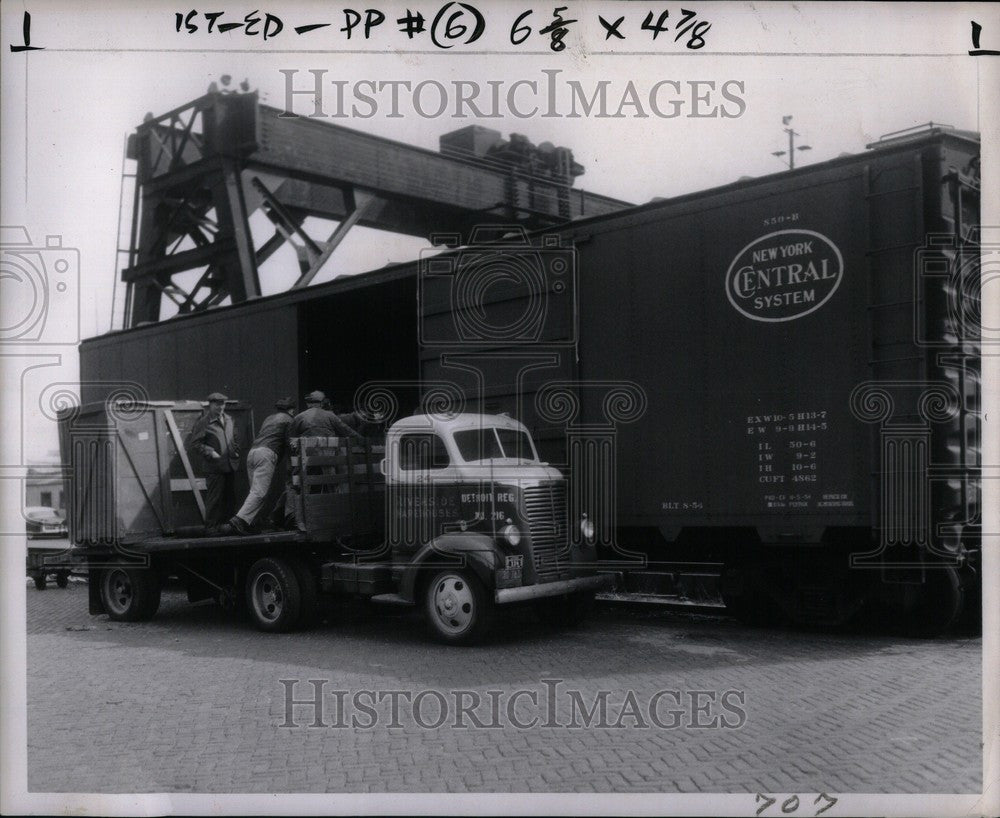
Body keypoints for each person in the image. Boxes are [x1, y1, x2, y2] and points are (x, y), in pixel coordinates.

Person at [283, 391, 364, 529]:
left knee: (296, 485)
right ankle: (332, 515)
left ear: (308, 403)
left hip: (305, 460)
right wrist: (364, 442)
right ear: (322, 402)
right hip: (328, 460)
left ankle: (294, 516)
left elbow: (290, 439)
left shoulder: (299, 417)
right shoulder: (330, 416)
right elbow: (347, 432)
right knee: (332, 484)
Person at [218, 397, 295, 536]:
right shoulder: (289, 420)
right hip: (266, 454)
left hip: (253, 453)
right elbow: (289, 443)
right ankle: (238, 521)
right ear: (291, 409)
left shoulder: (269, 419)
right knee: (259, 493)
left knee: (255, 492)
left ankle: (250, 523)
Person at [187, 392, 240, 530]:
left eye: (222, 404)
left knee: (230, 498)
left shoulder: (229, 419)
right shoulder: (204, 422)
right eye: (217, 404)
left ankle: (228, 528)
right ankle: (211, 528)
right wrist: (210, 452)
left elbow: (234, 438)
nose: (220, 407)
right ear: (210, 405)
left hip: (230, 465)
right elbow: (194, 444)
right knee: (215, 499)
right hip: (214, 467)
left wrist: (235, 450)